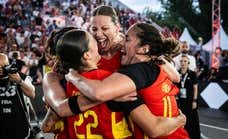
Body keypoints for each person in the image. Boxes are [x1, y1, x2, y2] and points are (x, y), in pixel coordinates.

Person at [43, 29, 186, 138]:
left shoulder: (66, 84)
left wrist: (73, 77)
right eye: (93, 40)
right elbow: (154, 128)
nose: (97, 41)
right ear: (86, 54)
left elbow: (47, 125)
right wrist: (180, 119)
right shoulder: (110, 82)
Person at [0, 53, 35, 139]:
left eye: (3, 66)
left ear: (9, 65)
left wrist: (19, 81)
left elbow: (32, 93)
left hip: (19, 128)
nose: (0, 69)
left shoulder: (19, 76)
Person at [176, 54, 201, 139]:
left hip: (190, 101)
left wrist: (195, 100)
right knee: (181, 119)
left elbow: (195, 88)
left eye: (185, 61)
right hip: (180, 101)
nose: (183, 63)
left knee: (192, 120)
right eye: (181, 61)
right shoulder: (176, 73)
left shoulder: (192, 74)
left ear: (188, 63)